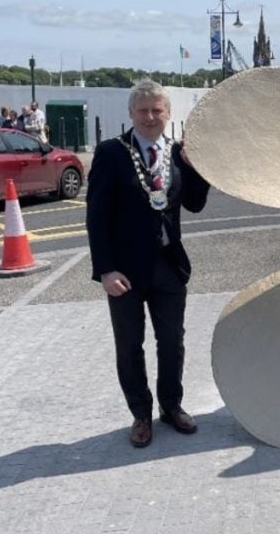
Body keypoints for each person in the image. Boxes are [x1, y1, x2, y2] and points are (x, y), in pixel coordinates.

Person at [86, 79, 211, 448]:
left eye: (157, 110)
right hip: (124, 271)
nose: (150, 117)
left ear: (168, 113)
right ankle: (141, 414)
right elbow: (96, 217)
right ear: (131, 114)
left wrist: (197, 168)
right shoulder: (111, 153)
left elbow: (196, 204)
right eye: (143, 110)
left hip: (169, 266)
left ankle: (171, 406)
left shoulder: (177, 152)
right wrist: (105, 270)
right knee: (130, 345)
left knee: (172, 342)